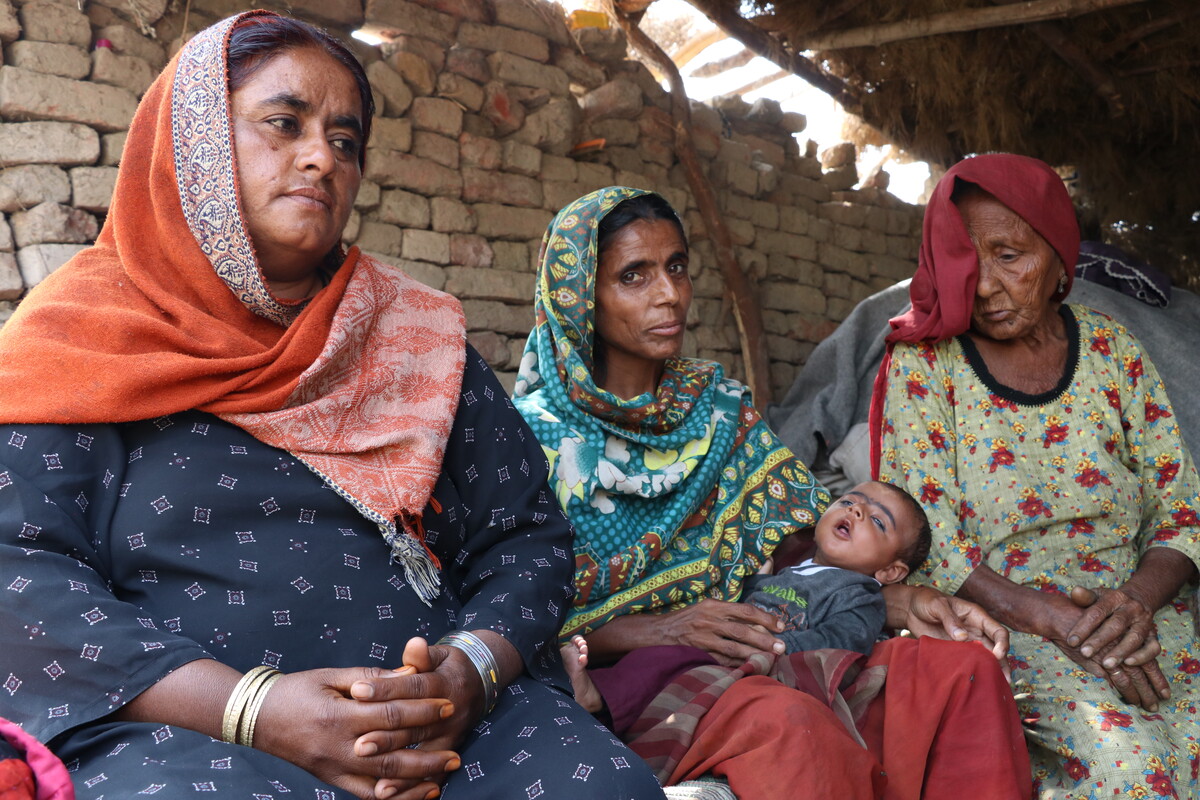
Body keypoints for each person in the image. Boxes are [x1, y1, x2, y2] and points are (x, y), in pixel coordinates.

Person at [0, 14, 664, 800]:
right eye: (284, 124)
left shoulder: (416, 338)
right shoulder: (80, 339)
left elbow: (528, 540)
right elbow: (20, 574)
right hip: (188, 737)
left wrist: (470, 671)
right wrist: (255, 708)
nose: (322, 158)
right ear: (195, 143)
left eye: (345, 141)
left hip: (445, 727)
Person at [514, 186, 1032, 799]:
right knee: (792, 728)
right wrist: (665, 628)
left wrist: (900, 598)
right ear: (579, 300)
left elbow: (798, 542)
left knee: (962, 673)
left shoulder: (720, 408)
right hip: (640, 673)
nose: (670, 294)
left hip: (766, 636)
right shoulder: (533, 441)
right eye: (634, 276)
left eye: (677, 267)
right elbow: (515, 616)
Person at [871, 153, 1200, 797]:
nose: (986, 284)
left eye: (1010, 255)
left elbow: (1181, 506)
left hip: (1139, 616)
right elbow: (925, 536)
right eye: (967, 258)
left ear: (1057, 256)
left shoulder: (1112, 350)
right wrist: (1051, 620)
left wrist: (1133, 603)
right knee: (1133, 775)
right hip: (1010, 625)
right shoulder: (927, 365)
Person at [742, 481, 932, 656]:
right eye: (847, 501)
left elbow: (839, 644)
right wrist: (758, 582)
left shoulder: (860, 599)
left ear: (890, 571)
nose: (855, 509)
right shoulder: (794, 569)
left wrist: (776, 645)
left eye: (878, 521)